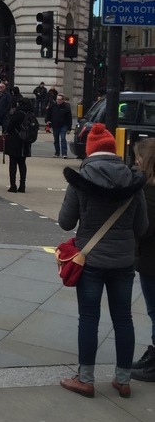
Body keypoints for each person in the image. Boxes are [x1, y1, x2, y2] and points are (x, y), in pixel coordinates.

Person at [58, 123, 147, 398]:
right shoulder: (134, 180)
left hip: (91, 260)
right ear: (114, 150)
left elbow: (65, 222)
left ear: (90, 151)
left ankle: (85, 379)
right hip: (122, 262)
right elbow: (142, 227)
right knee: (124, 318)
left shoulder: (81, 180)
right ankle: (122, 379)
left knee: (88, 318)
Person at [133, 138, 155, 382]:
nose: (136, 161)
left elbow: (144, 229)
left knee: (154, 310)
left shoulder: (148, 191)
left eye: (139, 157)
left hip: (151, 261)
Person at [4, 97, 34, 192]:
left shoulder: (18, 114)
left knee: (13, 163)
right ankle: (22, 185)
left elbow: (9, 126)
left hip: (15, 140)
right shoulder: (31, 114)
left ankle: (13, 185)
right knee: (22, 163)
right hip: (26, 141)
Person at [46, 92, 73, 158]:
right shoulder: (53, 106)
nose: (58, 101)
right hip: (55, 125)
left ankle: (64, 153)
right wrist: (47, 121)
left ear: (63, 100)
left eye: (59, 99)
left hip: (63, 125)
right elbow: (48, 114)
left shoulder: (66, 107)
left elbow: (69, 118)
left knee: (63, 139)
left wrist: (69, 128)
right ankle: (57, 153)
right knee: (56, 139)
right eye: (57, 99)